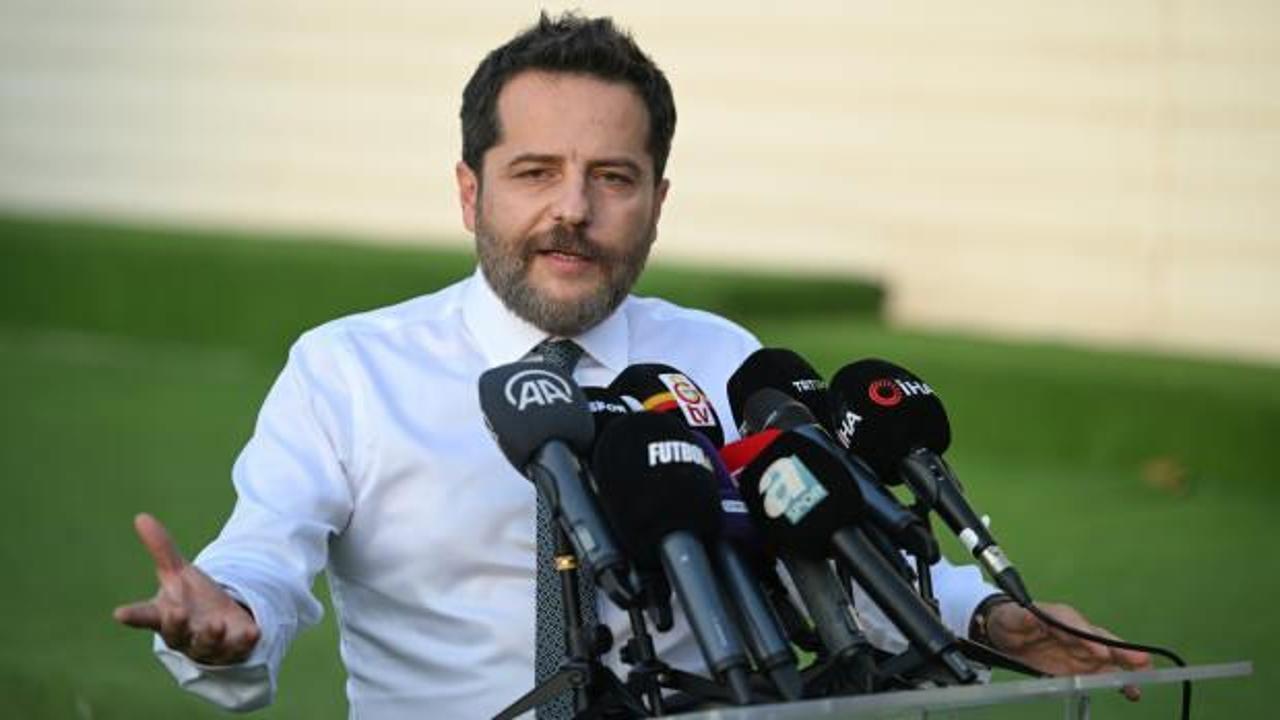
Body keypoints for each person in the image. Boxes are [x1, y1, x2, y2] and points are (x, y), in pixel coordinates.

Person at [113, 12, 1152, 719]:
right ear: (471, 194)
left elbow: (833, 549)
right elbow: (263, 557)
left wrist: (992, 618)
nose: (572, 209)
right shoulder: (348, 370)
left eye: (613, 177)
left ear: (658, 200)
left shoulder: (723, 362)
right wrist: (227, 619)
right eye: (535, 173)